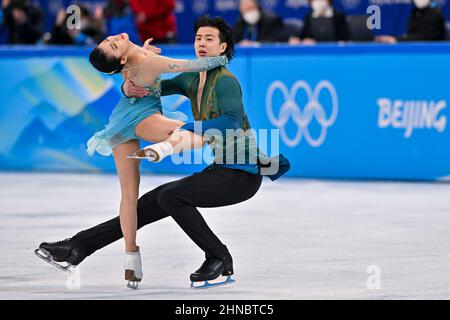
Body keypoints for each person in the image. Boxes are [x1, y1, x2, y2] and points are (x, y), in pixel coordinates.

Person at [36, 16, 290, 289]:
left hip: (242, 174)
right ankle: (78, 247)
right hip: (221, 169)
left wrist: (189, 128)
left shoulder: (225, 81)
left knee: (171, 196)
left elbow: (230, 120)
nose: (202, 44)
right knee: (149, 203)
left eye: (209, 39)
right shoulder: (194, 79)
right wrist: (128, 85)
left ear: (222, 47)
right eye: (198, 38)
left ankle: (218, 257)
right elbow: (151, 87)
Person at [375, 0, 446, 43]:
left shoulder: (435, 14)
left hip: (432, 53)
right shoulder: (415, 12)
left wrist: (397, 40)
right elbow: (412, 34)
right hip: (417, 52)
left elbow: (423, 37)